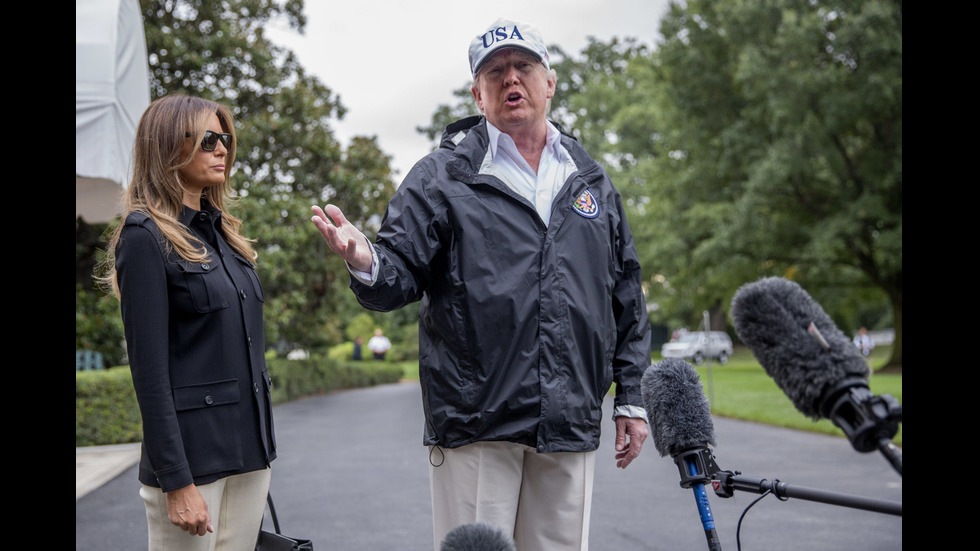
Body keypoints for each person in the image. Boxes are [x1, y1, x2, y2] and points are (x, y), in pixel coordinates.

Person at [310, 18, 651, 551]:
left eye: (524, 67)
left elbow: (624, 293)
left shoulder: (591, 180)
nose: (511, 80)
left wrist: (631, 398)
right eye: (495, 72)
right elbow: (398, 272)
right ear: (478, 92)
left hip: (569, 421)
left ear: (550, 81)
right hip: (476, 422)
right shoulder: (441, 175)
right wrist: (366, 260)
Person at [97, 94, 276, 550]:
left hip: (250, 452)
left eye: (225, 139)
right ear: (168, 147)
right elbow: (149, 374)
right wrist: (175, 480)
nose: (222, 150)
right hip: (191, 464)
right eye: (208, 139)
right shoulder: (144, 236)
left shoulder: (227, 237)